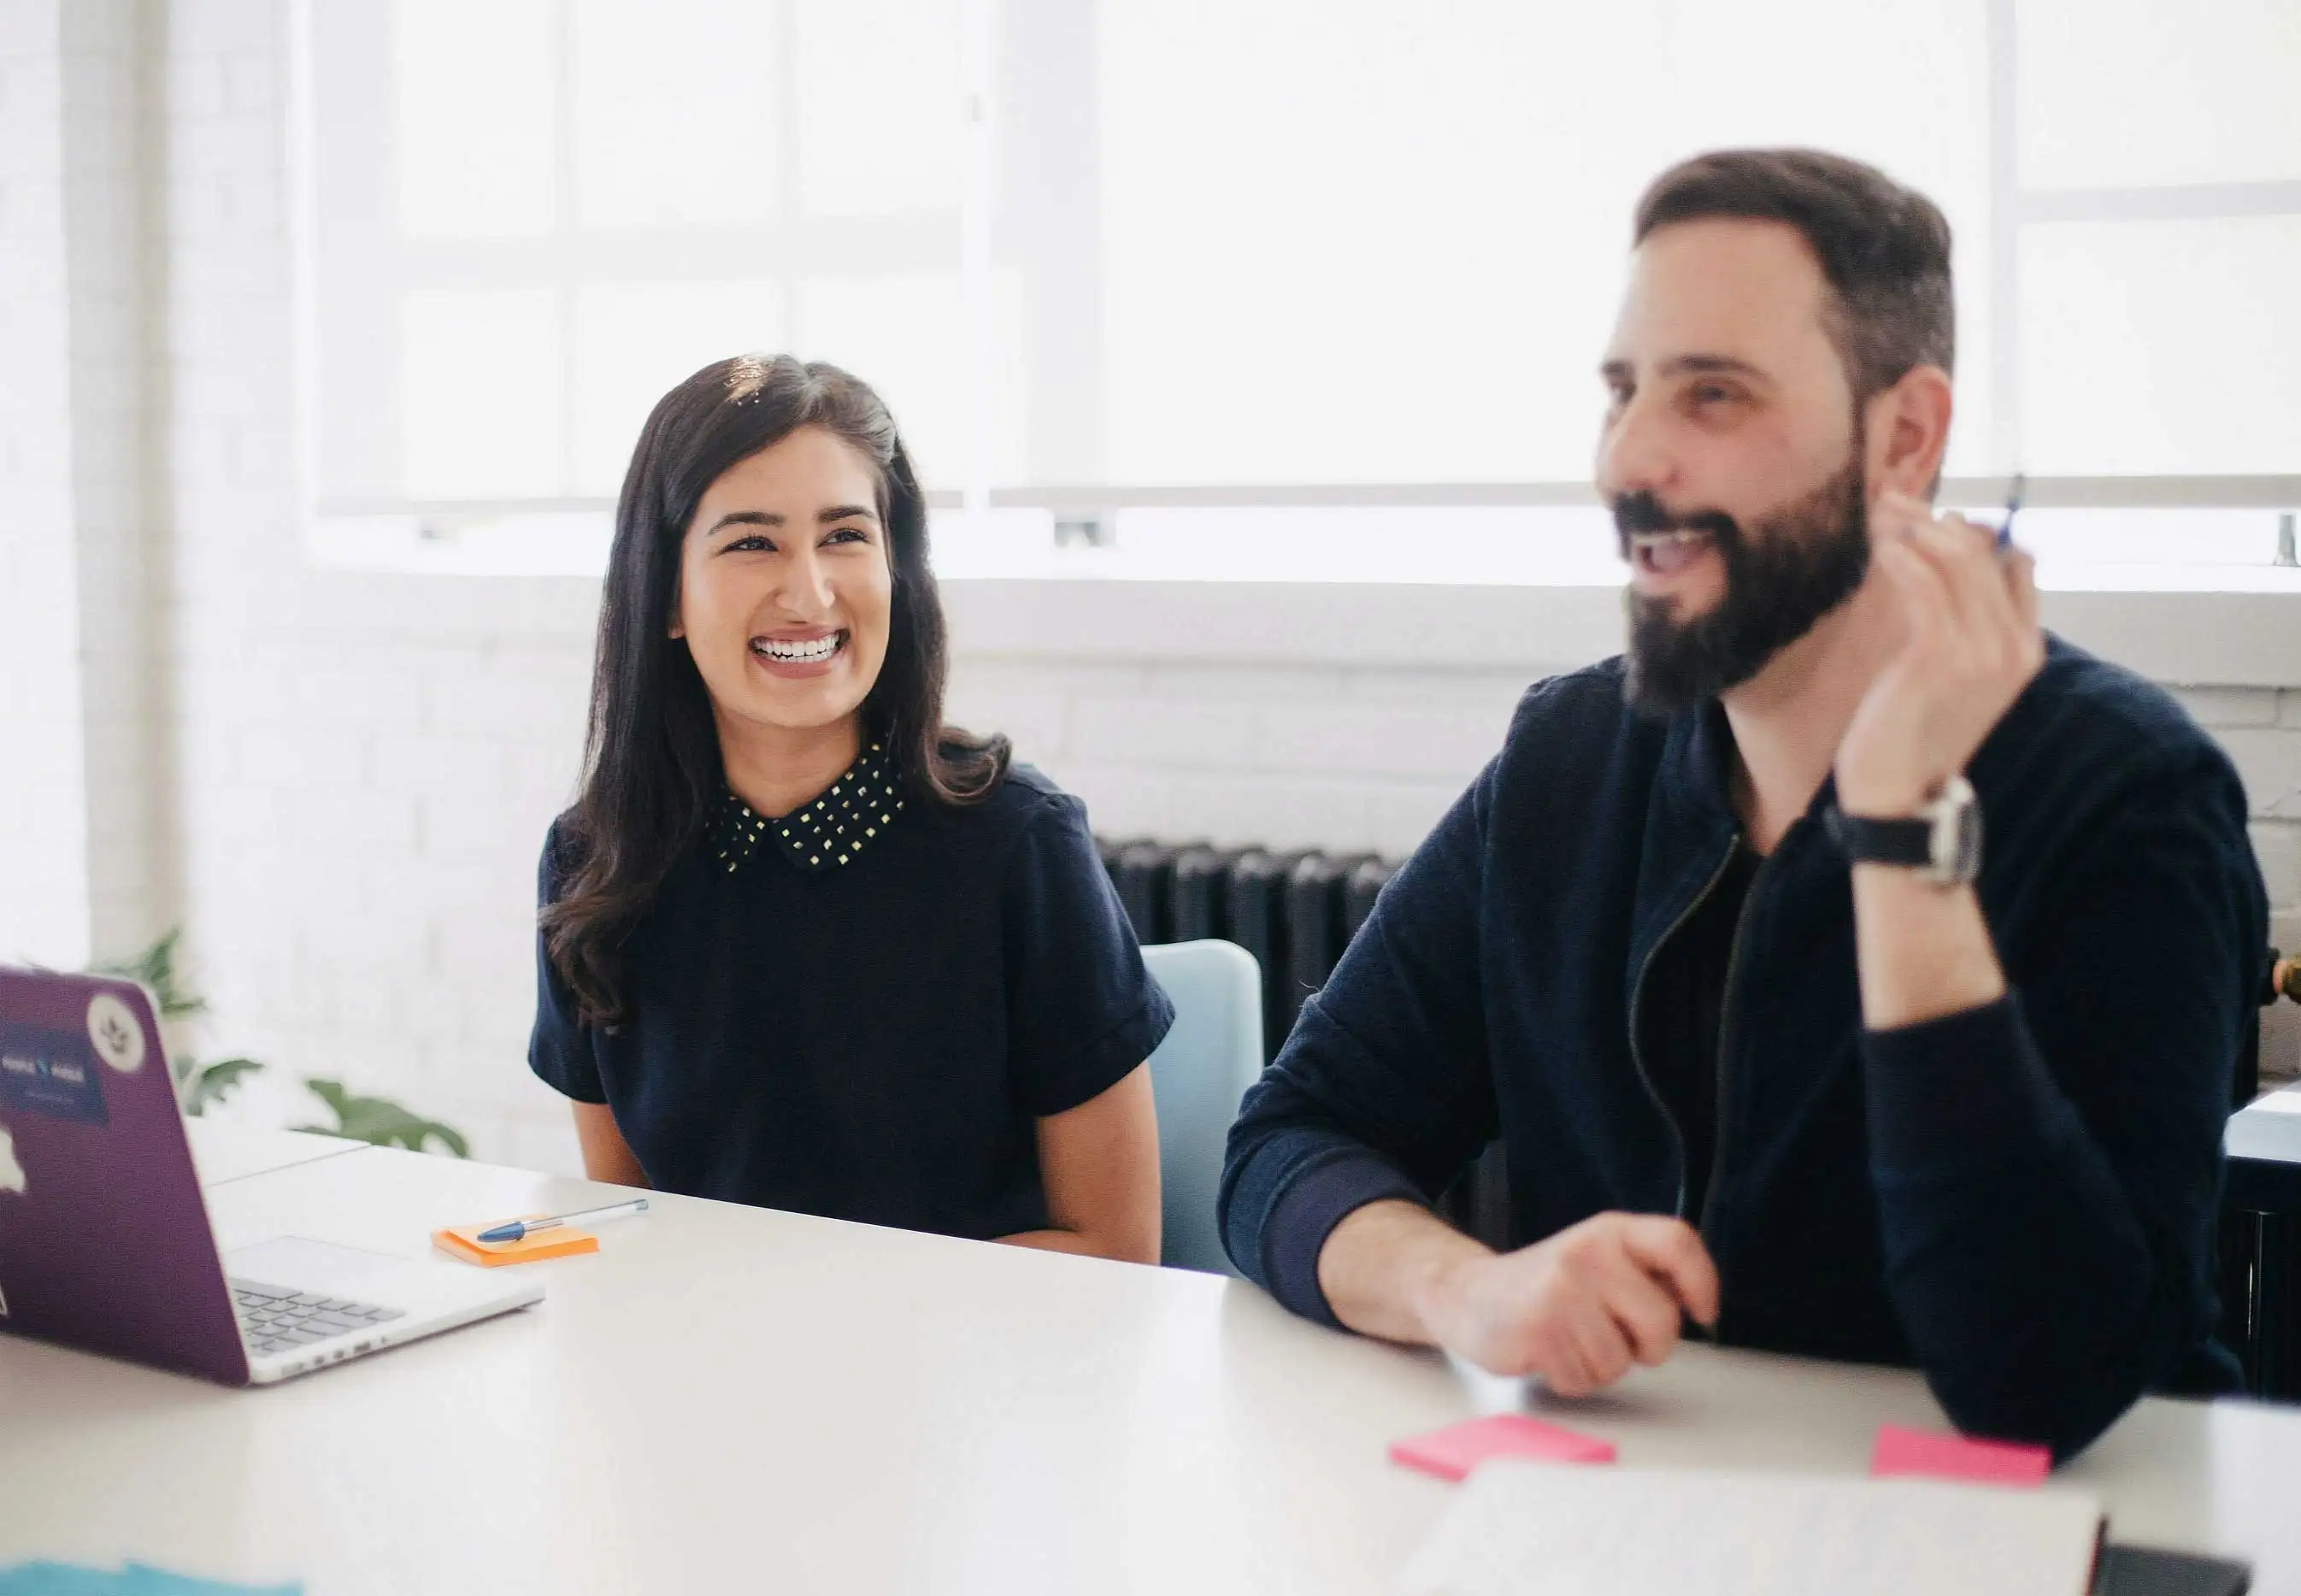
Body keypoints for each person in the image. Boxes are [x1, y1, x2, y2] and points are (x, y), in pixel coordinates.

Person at [1218, 149, 2263, 1458]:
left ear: (1903, 436)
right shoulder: (1571, 756)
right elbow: (1286, 1144)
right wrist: (1469, 1284)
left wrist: (1901, 834)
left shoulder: (2131, 796)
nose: (1631, 457)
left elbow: (2046, 1380)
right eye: (1622, 390)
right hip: (1637, 1505)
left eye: (1713, 394)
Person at [531, 355, 1171, 1263]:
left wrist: (817, 1320)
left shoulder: (1016, 843)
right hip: (705, 1369)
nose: (809, 592)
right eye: (752, 542)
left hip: (985, 1373)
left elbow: (1114, 1247)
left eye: (844, 536)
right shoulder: (595, 860)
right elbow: (632, 1225)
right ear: (666, 594)